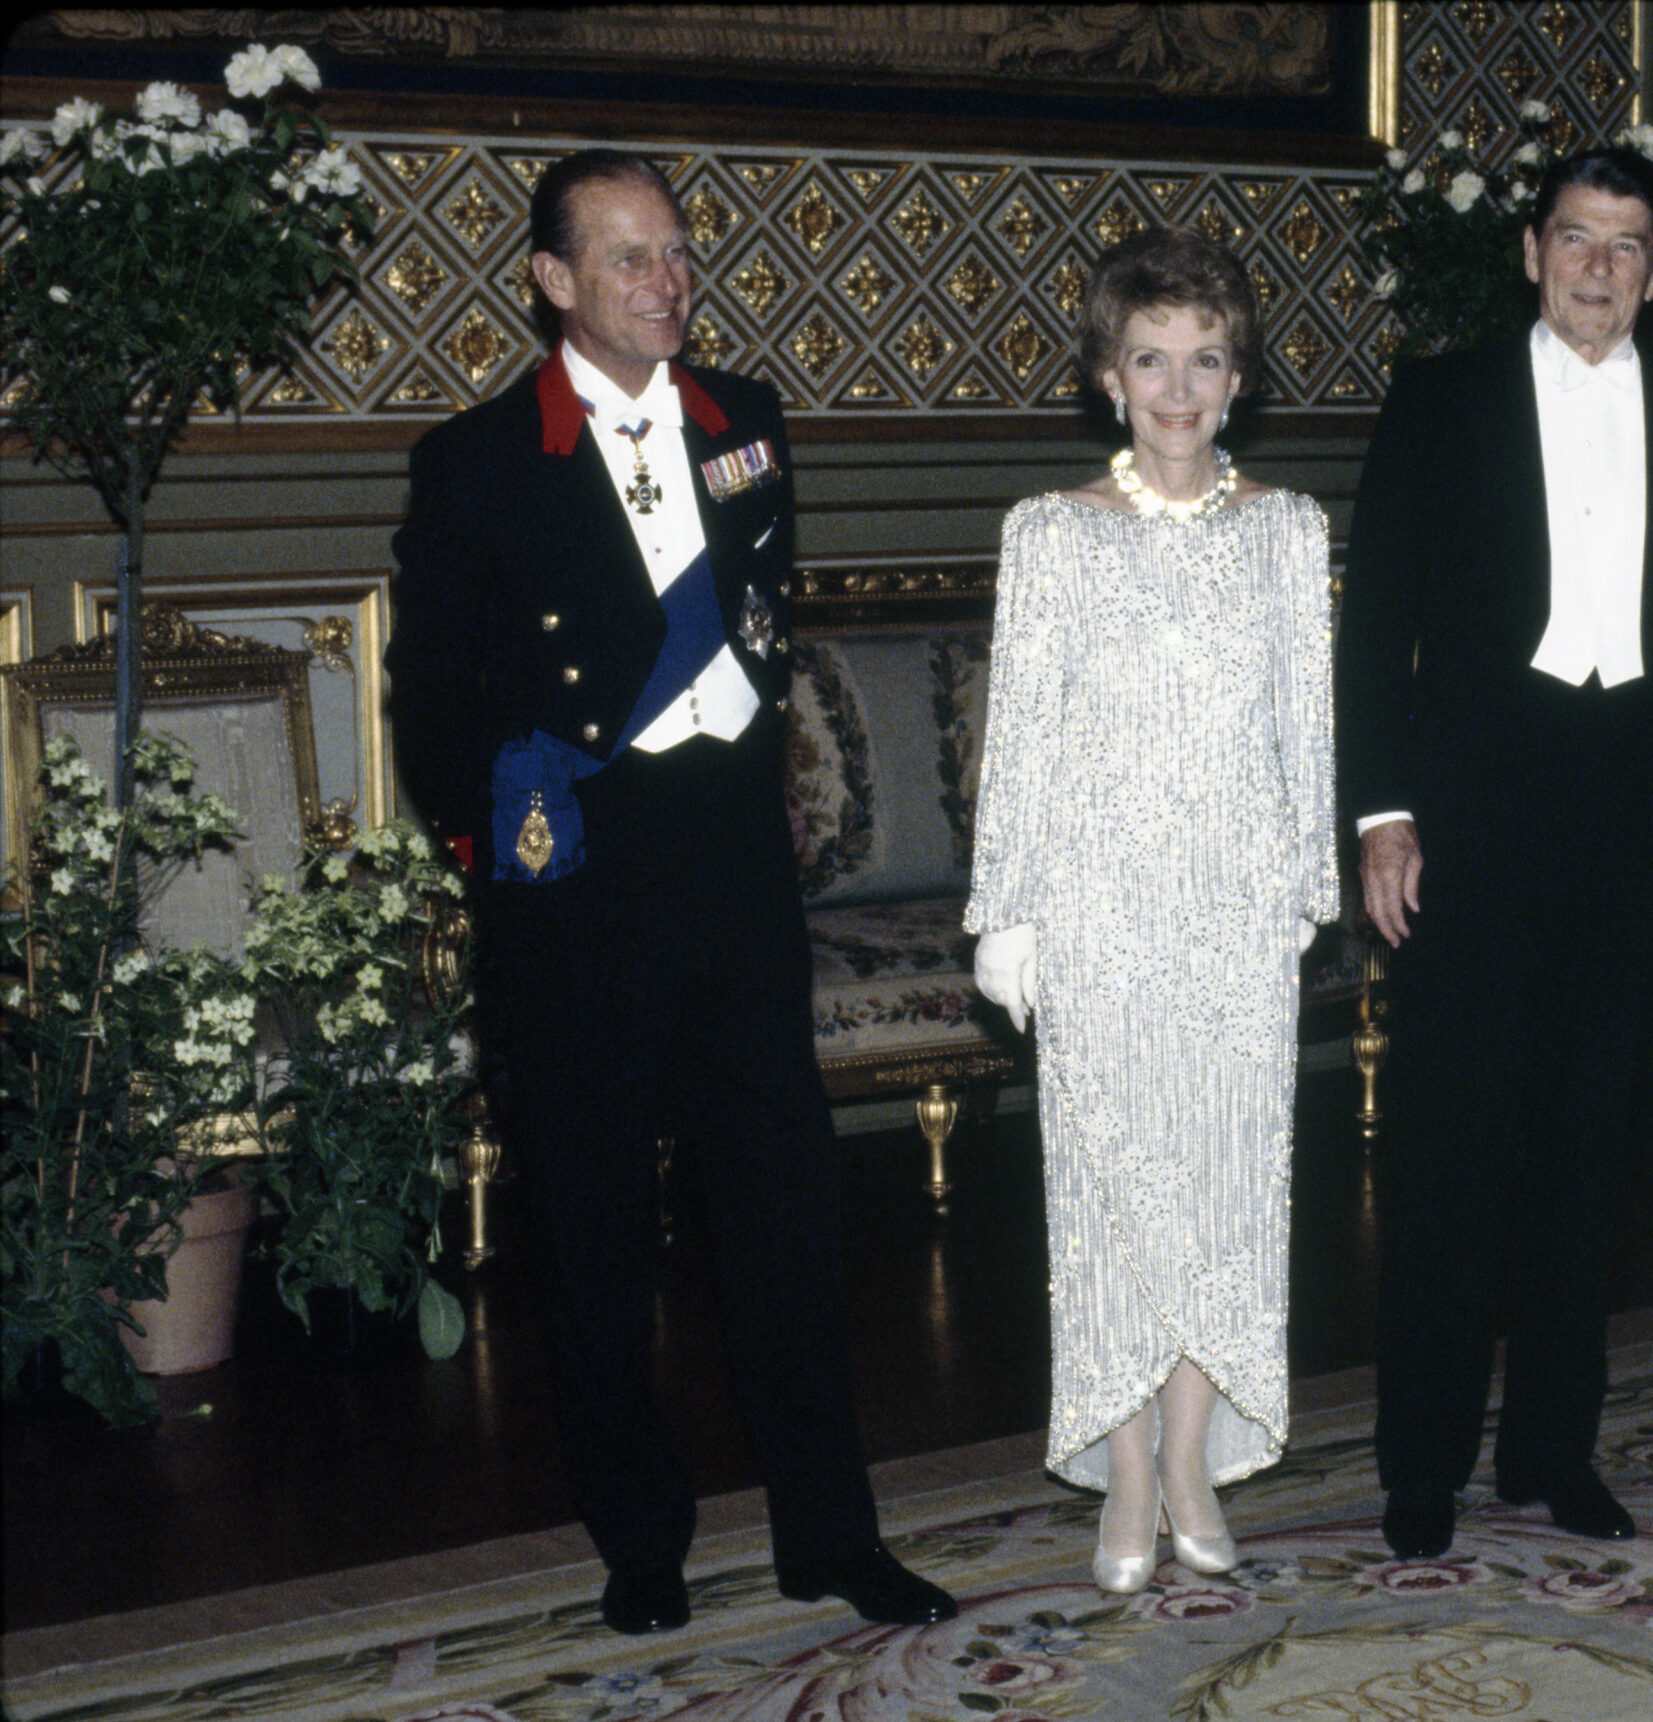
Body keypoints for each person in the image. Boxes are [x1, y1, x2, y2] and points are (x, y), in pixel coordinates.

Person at [386, 148, 954, 1636]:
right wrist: (501, 821)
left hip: (728, 868)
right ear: (554, 282)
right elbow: (426, 700)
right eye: (629, 258)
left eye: (678, 252)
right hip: (577, 885)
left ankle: (831, 1532)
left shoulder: (744, 425)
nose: (666, 280)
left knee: (786, 1214)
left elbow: (761, 627)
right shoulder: (476, 462)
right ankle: (641, 1541)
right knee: (590, 1232)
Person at [1337, 147, 1653, 1562]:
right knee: (1450, 1143)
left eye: (1628, 243)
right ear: (1532, 253)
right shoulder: (1439, 400)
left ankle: (1553, 1450)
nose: (1599, 266)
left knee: (1589, 1145)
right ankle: (1422, 1464)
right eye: (1576, 238)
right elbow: (1374, 627)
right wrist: (1381, 810)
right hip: (1468, 812)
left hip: (1635, 817)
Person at [965, 227, 1338, 1594]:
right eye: (1150, 361)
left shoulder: (1289, 532)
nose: (1178, 388)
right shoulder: (1051, 535)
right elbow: (1021, 739)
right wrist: (1008, 916)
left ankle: (1191, 1458)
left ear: (1236, 381)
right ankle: (1122, 1468)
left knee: (1228, 1194)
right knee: (1113, 1198)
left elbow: (1308, 722)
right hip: (1099, 909)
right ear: (1109, 380)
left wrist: (1308, 890)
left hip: (1240, 912)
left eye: (1204, 360)